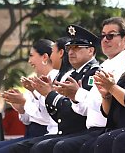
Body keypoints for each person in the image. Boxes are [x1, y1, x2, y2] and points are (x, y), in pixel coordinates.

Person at [10, 25, 102, 153]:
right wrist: (45, 94)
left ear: (91, 51)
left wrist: (49, 94)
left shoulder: (93, 73)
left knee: (40, 148)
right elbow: (56, 112)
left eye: (76, 48)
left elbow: (74, 112)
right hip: (62, 131)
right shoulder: (72, 75)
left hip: (80, 131)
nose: (70, 52)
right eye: (69, 48)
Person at [45, 17, 125, 153]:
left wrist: (78, 93)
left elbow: (105, 104)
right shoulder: (105, 65)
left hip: (108, 129)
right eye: (102, 36)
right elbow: (87, 109)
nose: (105, 40)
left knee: (61, 147)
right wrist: (74, 97)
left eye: (110, 36)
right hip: (93, 129)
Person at [0, 39, 58, 153]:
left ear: (44, 57)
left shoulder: (55, 80)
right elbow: (28, 120)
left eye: (32, 56)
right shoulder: (35, 80)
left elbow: (47, 117)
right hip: (31, 133)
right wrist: (20, 108)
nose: (29, 61)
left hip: (45, 134)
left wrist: (24, 102)